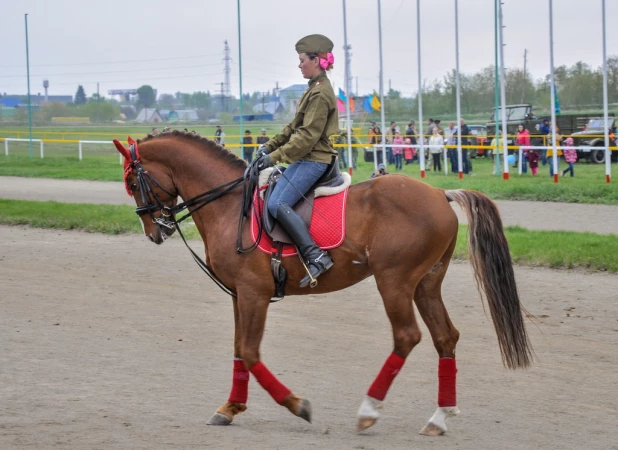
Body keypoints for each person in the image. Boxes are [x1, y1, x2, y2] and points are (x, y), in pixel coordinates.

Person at [255, 34, 338, 288]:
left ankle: (315, 255)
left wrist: (274, 158)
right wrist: (268, 147)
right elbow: (293, 127)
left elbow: (307, 136)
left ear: (316, 60)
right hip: (305, 158)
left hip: (314, 160)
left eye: (302, 60)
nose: (299, 64)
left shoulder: (321, 93)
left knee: (277, 203)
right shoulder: (312, 88)